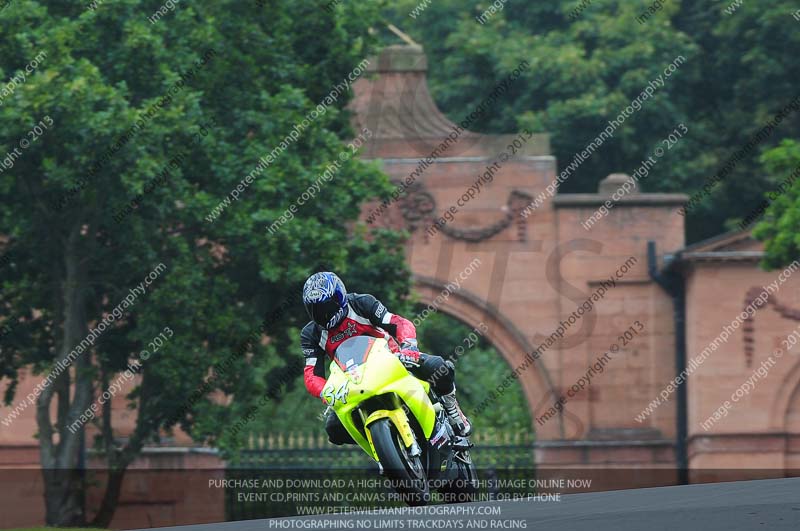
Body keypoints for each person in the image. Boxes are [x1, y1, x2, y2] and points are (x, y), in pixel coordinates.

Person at [300, 271, 472, 444]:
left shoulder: (361, 303)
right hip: (352, 382)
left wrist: (408, 347)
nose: (323, 314)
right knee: (334, 430)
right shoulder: (310, 334)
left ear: (339, 298)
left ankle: (452, 408)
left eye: (326, 307)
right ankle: (381, 442)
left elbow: (399, 323)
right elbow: (311, 374)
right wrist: (325, 392)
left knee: (439, 366)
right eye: (315, 310)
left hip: (392, 360)